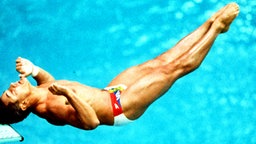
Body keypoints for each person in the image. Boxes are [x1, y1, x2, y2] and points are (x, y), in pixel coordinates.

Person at [0, 3, 239, 130]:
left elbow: (48, 83)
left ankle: (209, 24)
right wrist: (69, 93)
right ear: (23, 104)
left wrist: (34, 70)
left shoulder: (39, 92)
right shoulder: (49, 109)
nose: (11, 85)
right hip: (120, 108)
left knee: (162, 60)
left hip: (111, 92)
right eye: (11, 92)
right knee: (175, 68)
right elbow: (90, 123)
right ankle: (217, 27)